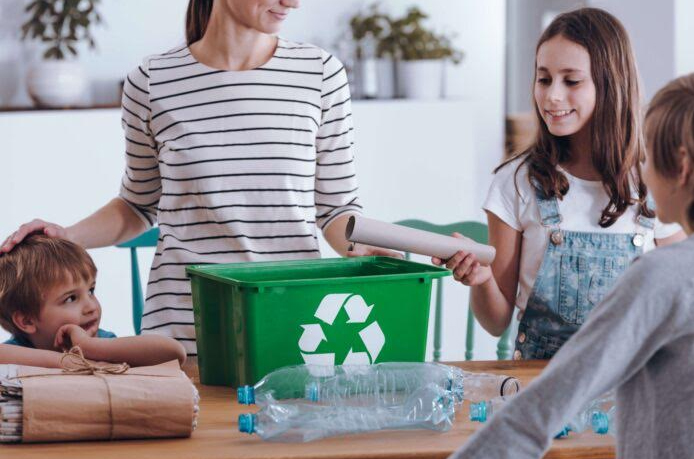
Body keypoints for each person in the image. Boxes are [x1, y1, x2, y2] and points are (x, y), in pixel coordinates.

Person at [0, 0, 394, 359]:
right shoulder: (151, 80)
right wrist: (66, 237)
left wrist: (372, 251)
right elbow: (138, 204)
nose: (292, 3)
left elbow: (337, 210)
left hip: (294, 323)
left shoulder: (319, 73)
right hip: (181, 334)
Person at [448, 72, 694, 459]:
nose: (643, 171)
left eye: (651, 157)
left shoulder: (660, 275)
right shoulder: (517, 180)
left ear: (680, 167)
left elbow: (537, 415)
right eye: (543, 78)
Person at [434, 8, 684, 360]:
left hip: (631, 386)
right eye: (544, 78)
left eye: (571, 81)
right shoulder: (516, 182)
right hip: (541, 386)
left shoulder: (651, 183)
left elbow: (682, 291)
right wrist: (480, 278)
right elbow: (495, 321)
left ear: (611, 85)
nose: (552, 96)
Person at [0, 235, 186, 367]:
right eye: (71, 298)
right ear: (27, 321)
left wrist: (90, 347)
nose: (91, 306)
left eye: (91, 290)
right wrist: (71, 363)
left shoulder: (99, 343)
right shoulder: (17, 351)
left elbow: (174, 353)